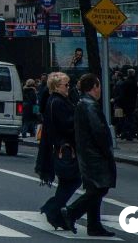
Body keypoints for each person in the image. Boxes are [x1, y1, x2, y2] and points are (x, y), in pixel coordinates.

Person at [61, 74, 116, 237]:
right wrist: (107, 151)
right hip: (94, 155)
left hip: (87, 153)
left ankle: (94, 225)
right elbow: (98, 131)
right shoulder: (90, 105)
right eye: (99, 86)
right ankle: (71, 212)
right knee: (100, 188)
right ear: (94, 87)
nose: (100, 90)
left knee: (95, 188)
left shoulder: (83, 103)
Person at [35, 73, 81, 231]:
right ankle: (52, 208)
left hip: (62, 147)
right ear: (56, 86)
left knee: (67, 182)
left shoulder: (55, 101)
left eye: (69, 84)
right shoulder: (57, 102)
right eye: (65, 85)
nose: (68, 87)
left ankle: (57, 214)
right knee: (74, 180)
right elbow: (67, 125)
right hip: (65, 148)